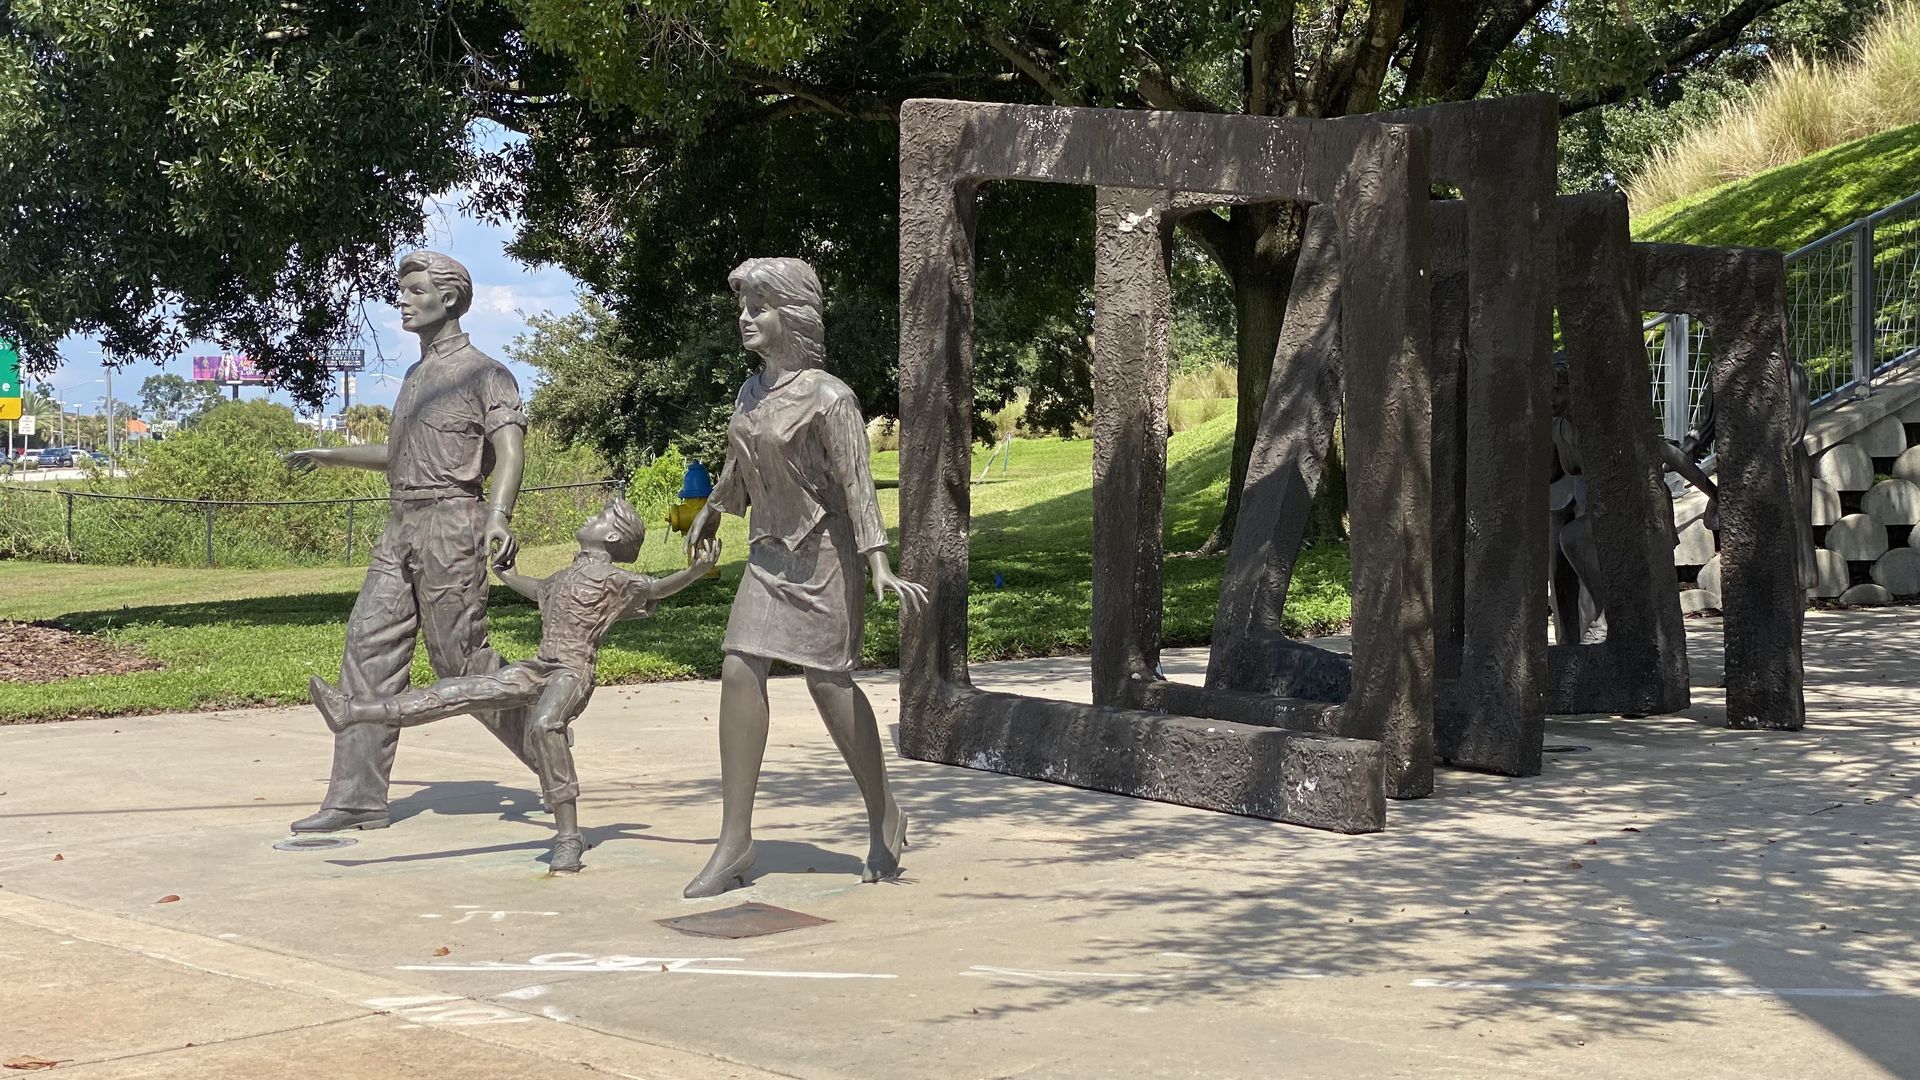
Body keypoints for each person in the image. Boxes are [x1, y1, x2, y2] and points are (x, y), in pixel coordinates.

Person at [681, 257, 927, 898]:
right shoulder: (750, 392)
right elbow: (741, 464)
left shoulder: (831, 396)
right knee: (740, 664)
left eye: (757, 307)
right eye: (743, 307)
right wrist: (711, 510)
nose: (744, 319)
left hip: (824, 555)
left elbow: (858, 484)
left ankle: (883, 811)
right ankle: (735, 841)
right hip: (767, 554)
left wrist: (878, 564)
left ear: (790, 316)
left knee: (828, 685)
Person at [312, 499, 721, 873]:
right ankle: (352, 713)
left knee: (544, 724)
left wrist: (694, 572)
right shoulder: (563, 577)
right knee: (461, 690)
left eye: (599, 517)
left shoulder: (616, 580)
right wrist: (507, 575)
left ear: (612, 537)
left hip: (572, 673)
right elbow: (537, 589)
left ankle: (568, 838)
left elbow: (656, 589)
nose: (589, 515)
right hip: (540, 666)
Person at [284, 250, 537, 833]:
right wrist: (329, 454)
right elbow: (398, 458)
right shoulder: (415, 375)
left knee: (461, 663)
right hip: (400, 524)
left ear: (448, 299)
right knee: (368, 648)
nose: (402, 299)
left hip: (454, 524)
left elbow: (511, 453)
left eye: (415, 289)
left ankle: (547, 746)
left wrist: (498, 516)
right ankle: (356, 798)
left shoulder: (486, 373)